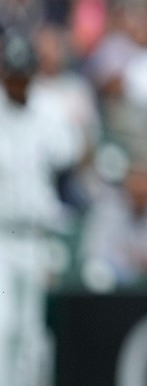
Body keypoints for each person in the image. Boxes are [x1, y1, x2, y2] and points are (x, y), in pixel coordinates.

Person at [0, 33, 82, 386]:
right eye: (13, 74)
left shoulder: (49, 109)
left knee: (33, 332)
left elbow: (71, 159)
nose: (20, 81)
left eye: (25, 73)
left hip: (36, 234)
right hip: (1, 236)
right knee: (4, 326)